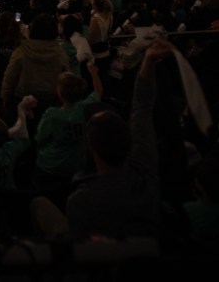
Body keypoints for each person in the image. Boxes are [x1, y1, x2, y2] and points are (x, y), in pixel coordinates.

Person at [30, 38, 171, 240]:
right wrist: (148, 61)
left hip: (96, 251)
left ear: (91, 147)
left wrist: (148, 60)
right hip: (145, 246)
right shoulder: (145, 171)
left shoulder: (81, 200)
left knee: (38, 203)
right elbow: (142, 107)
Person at [32, 61, 103, 193]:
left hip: (50, 167)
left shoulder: (52, 115)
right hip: (76, 165)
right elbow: (98, 91)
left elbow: (40, 140)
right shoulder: (85, 108)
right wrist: (94, 73)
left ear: (60, 92)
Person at [0, 13, 70, 115]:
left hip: (23, 98)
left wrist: (5, 96)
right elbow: (66, 76)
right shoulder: (60, 52)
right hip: (50, 99)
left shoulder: (22, 51)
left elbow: (10, 75)